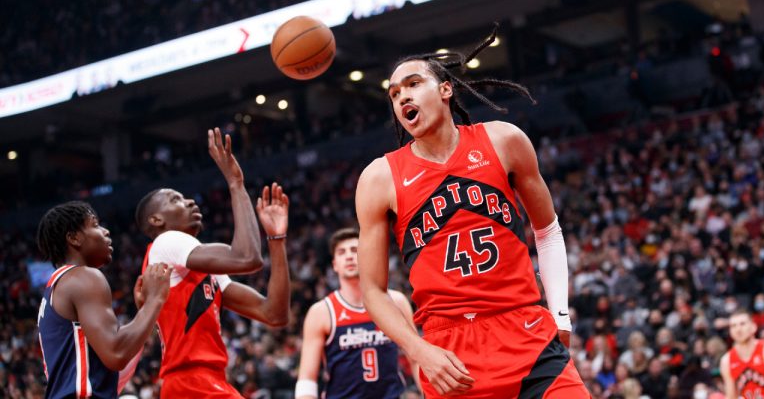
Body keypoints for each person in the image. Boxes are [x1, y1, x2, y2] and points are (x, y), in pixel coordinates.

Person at [355, 25, 589, 397]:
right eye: (394, 94)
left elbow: (547, 230)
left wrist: (559, 311)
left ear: (445, 89)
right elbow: (372, 290)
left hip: (527, 332)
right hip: (450, 355)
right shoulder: (379, 178)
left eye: (413, 84)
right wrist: (419, 351)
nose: (402, 98)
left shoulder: (504, 140)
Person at [134, 128, 291, 398]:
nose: (190, 201)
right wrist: (235, 183)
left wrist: (276, 240)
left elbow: (274, 314)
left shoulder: (200, 267)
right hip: (191, 382)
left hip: (203, 382)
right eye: (176, 200)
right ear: (156, 220)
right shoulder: (166, 242)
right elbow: (247, 258)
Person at [36, 201, 171, 398]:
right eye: (95, 224)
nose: (105, 231)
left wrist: (144, 312)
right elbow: (116, 355)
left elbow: (114, 369)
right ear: (74, 238)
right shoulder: (83, 277)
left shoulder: (57, 287)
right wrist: (155, 299)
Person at [295, 228, 420, 399]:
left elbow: (416, 358)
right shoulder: (322, 312)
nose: (348, 256)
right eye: (341, 252)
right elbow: (307, 379)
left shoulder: (396, 302)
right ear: (334, 265)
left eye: (355, 250)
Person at [720, 308, 764, 399]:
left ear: (754, 327)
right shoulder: (726, 360)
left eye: (742, 324)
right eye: (733, 326)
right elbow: (731, 397)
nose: (738, 329)